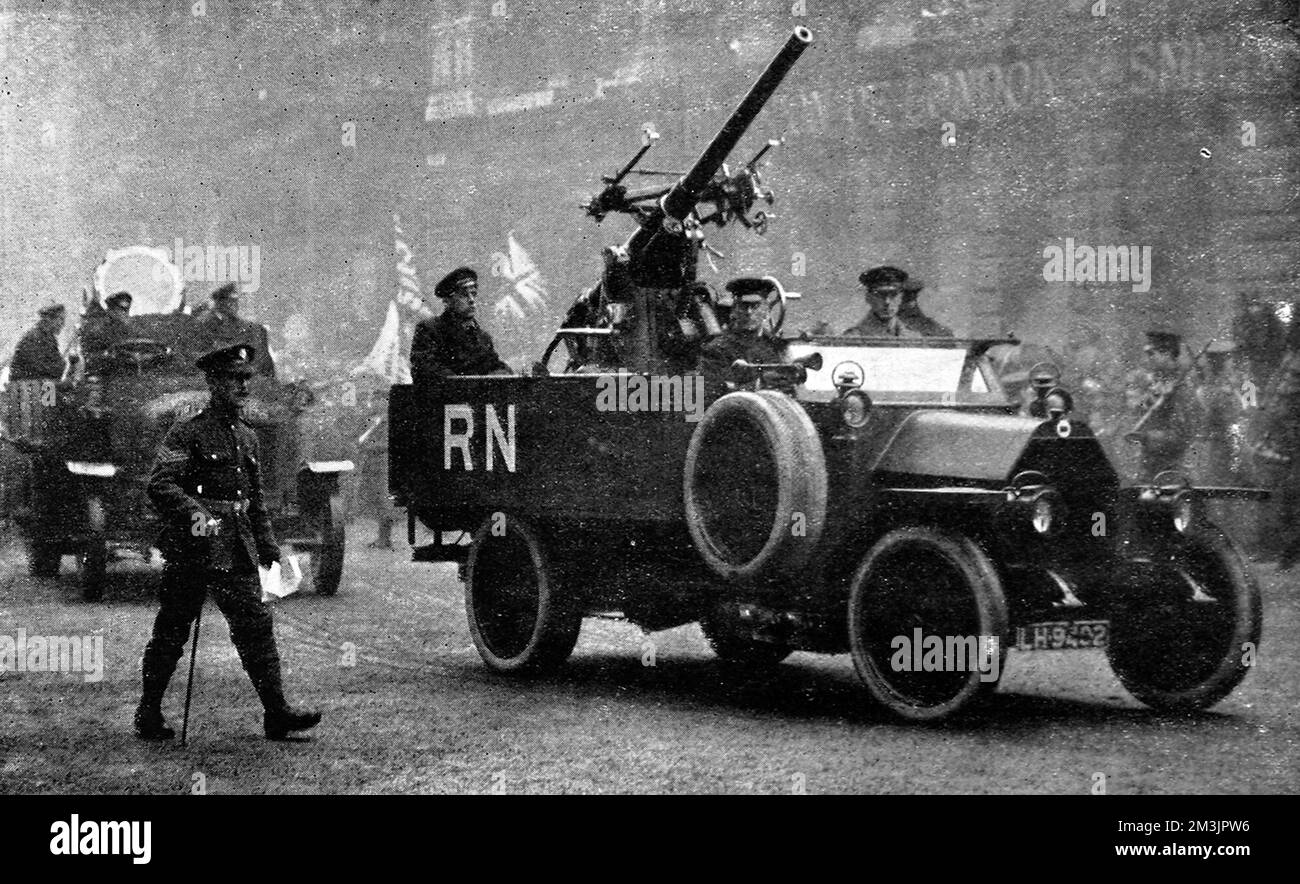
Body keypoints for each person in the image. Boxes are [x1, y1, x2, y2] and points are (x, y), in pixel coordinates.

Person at [135, 343, 321, 741]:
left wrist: (267, 545)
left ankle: (277, 713)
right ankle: (148, 712)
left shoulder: (247, 437)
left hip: (235, 547)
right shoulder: (187, 431)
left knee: (256, 628)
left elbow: (255, 500)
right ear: (214, 383)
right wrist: (197, 515)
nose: (243, 387)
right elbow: (160, 484)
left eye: (246, 379)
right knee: (171, 631)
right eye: (234, 379)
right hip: (192, 547)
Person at [410, 267, 510, 383]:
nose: (471, 300)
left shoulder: (483, 338)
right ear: (448, 301)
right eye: (464, 295)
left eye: (473, 294)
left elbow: (497, 367)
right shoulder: (429, 330)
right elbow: (425, 369)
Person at [1125, 328, 1195, 482]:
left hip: (1171, 468)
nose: (1148, 358)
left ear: (1167, 353)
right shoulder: (1156, 383)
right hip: (1149, 464)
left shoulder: (1181, 388)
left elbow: (1182, 435)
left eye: (1152, 353)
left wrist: (1146, 437)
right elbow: (1140, 411)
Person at [697, 277, 786, 397]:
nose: (749, 312)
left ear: (766, 311)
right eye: (743, 306)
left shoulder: (776, 347)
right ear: (734, 310)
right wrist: (758, 385)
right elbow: (709, 395)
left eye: (755, 306)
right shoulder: (716, 350)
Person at [193, 283, 275, 378]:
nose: (234, 305)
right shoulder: (203, 324)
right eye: (229, 301)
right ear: (219, 302)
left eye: (235, 301)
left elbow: (263, 365)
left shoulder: (254, 329)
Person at [845, 266, 952, 338]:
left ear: (901, 298)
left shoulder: (918, 334)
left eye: (893, 295)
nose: (887, 301)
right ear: (868, 298)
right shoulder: (855, 337)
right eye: (880, 295)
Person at [9, 302, 69, 382]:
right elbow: (43, 369)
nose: (63, 324)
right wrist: (61, 365)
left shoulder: (47, 337)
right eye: (61, 319)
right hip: (26, 386)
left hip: (33, 384)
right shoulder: (35, 338)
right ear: (49, 319)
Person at [80, 290, 133, 372]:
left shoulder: (126, 329)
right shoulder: (98, 327)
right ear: (111, 310)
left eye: (127, 309)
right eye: (122, 309)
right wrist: (108, 354)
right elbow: (87, 354)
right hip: (101, 371)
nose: (125, 313)